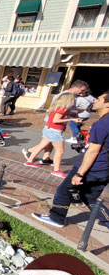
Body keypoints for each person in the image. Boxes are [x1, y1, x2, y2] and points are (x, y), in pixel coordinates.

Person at [32, 91, 109, 228]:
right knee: (89, 197)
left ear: (107, 104)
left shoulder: (102, 124)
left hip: (92, 167)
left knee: (64, 190)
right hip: (104, 168)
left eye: (99, 99)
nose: (95, 101)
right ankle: (106, 220)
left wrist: (80, 173)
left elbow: (93, 151)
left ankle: (56, 217)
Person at [22, 93, 82, 177]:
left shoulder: (57, 107)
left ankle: (29, 161)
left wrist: (73, 114)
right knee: (60, 151)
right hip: (55, 131)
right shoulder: (62, 109)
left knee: (41, 146)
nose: (73, 102)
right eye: (73, 100)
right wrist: (72, 119)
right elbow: (56, 120)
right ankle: (56, 170)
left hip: (48, 129)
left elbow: (62, 115)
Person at [36, 80, 90, 165]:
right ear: (76, 87)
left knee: (48, 142)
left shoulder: (73, 96)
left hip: (59, 123)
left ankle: (45, 158)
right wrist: (72, 118)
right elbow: (57, 110)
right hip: (54, 123)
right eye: (82, 90)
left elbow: (65, 111)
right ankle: (30, 153)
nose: (82, 92)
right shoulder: (64, 95)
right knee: (53, 146)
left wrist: (75, 113)